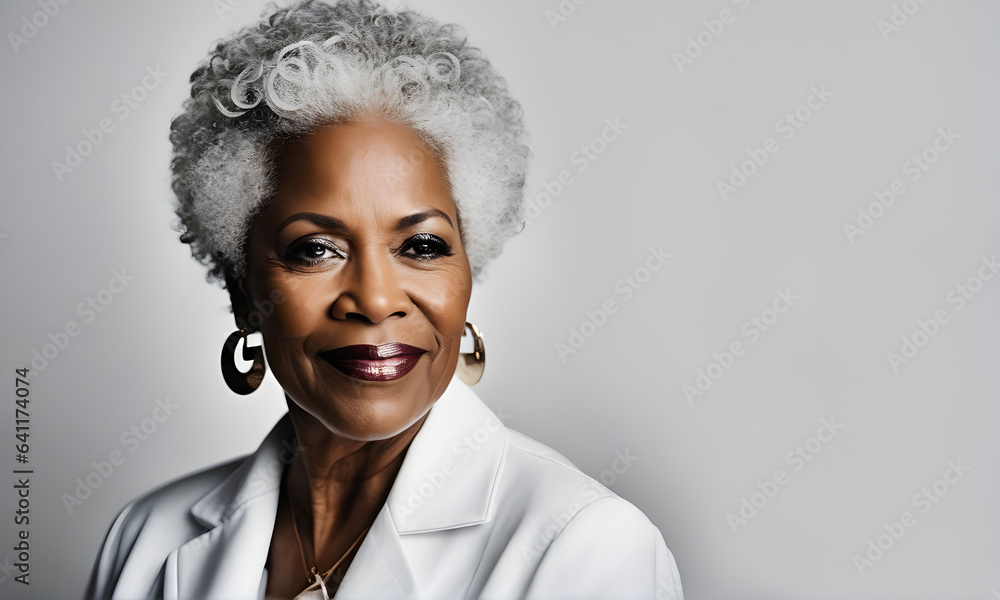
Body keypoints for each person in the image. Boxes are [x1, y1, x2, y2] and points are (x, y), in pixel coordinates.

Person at [85, 1, 684, 598]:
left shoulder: (583, 545)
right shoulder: (147, 538)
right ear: (245, 292)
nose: (374, 300)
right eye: (315, 249)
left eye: (422, 245)